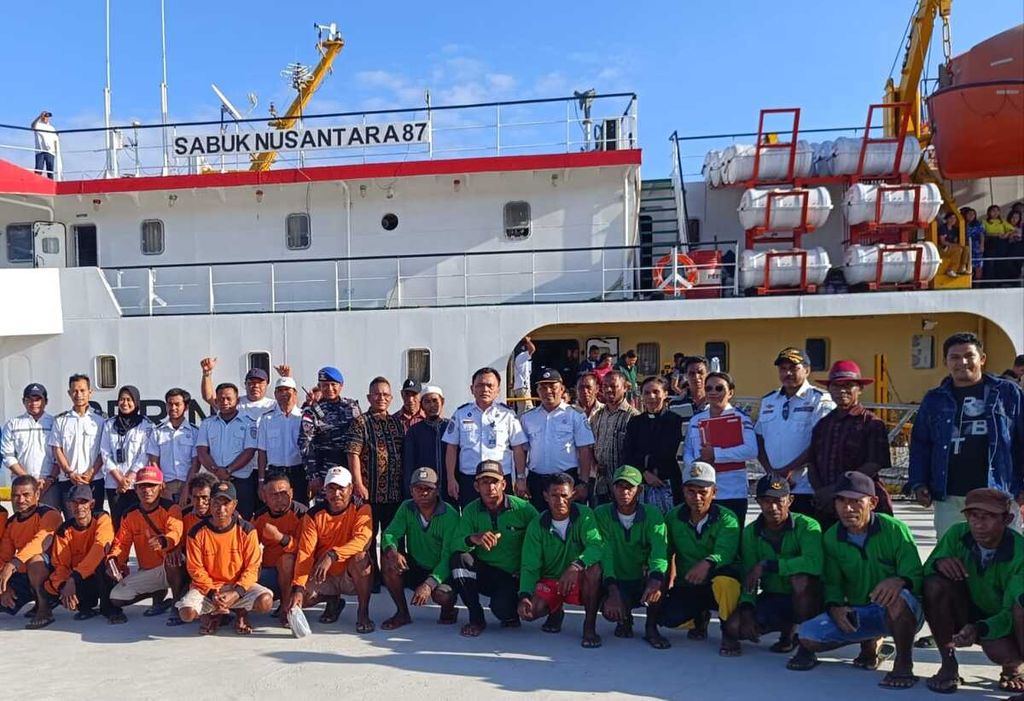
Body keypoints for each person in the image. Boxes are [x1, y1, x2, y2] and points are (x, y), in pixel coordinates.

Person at [788, 471, 924, 690]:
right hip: (861, 611)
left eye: (855, 501)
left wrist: (899, 581)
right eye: (841, 500)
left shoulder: (895, 529)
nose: (847, 508)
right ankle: (870, 642)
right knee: (808, 635)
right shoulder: (831, 537)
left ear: (873, 502)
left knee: (898, 597)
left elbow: (915, 574)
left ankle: (904, 662)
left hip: (903, 611)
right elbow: (832, 583)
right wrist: (835, 608)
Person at [910, 332, 1024, 537]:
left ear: (982, 359)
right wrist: (919, 483)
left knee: (1004, 559)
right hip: (950, 497)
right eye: (954, 357)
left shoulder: (1008, 393)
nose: (962, 362)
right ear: (946, 362)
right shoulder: (934, 399)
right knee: (952, 559)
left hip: (999, 493)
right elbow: (921, 445)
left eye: (969, 356)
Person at [923, 488, 1024, 694]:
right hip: (969, 610)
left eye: (988, 517)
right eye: (973, 516)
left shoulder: (1020, 552)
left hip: (1003, 621)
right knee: (934, 584)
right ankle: (948, 665)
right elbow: (924, 573)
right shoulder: (956, 534)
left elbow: (1012, 611)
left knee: (1017, 618)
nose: (978, 524)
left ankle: (1013, 667)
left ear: (1007, 519)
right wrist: (938, 564)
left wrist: (979, 629)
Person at [722, 475, 823, 656]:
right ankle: (787, 632)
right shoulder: (750, 532)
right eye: (766, 501)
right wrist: (746, 607)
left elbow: (814, 563)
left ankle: (806, 650)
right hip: (773, 595)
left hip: (809, 598)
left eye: (778, 501)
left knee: (800, 579)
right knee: (734, 628)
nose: (773, 507)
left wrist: (769, 565)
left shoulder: (808, 526)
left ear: (790, 500)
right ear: (758, 502)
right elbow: (749, 574)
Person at [657, 462, 742, 653]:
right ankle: (698, 619)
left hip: (718, 582)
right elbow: (666, 553)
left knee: (726, 583)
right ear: (683, 491)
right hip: (689, 583)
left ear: (715, 492)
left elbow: (726, 553)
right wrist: (660, 582)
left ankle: (729, 633)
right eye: (690, 490)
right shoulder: (672, 517)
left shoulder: (727, 518)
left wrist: (708, 563)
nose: (696, 497)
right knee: (667, 619)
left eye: (703, 491)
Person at [449, 460, 539, 637]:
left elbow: (541, 541)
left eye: (494, 482)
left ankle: (511, 611)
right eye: (484, 482)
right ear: (476, 486)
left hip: (515, 576)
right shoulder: (470, 510)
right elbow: (455, 544)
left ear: (504, 484)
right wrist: (473, 538)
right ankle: (476, 618)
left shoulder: (524, 509)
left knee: (503, 611)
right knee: (459, 559)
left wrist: (528, 573)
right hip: (486, 573)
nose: (490, 487)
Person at [517, 472, 604, 648]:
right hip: (551, 581)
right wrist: (524, 595)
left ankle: (589, 626)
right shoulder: (536, 525)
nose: (560, 501)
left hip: (577, 578)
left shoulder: (585, 515)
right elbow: (529, 565)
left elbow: (596, 546)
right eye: (554, 496)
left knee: (594, 569)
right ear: (545, 497)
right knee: (531, 612)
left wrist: (576, 566)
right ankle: (555, 611)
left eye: (564, 495)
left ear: (573, 495)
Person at [178, 480, 274, 635]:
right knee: (186, 613)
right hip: (208, 589)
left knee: (265, 601)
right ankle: (212, 614)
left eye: (226, 503)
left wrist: (236, 593)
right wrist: (213, 593)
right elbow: (195, 569)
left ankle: (240, 613)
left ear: (234, 505)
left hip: (236, 586)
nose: (221, 509)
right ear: (210, 503)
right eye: (216, 503)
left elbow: (252, 567)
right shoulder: (196, 532)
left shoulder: (247, 530)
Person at [288, 466, 375, 633]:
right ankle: (332, 599)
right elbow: (305, 552)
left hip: (349, 575)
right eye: (331, 488)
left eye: (341, 488)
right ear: (324, 490)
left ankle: (363, 612)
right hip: (323, 575)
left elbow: (363, 540)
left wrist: (333, 554)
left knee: (361, 558)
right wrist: (298, 588)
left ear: (351, 489)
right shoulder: (313, 515)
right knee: (299, 600)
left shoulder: (362, 509)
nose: (336, 494)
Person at [808, 360, 892, 529]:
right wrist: (821, 493)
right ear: (829, 389)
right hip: (827, 505)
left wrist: (837, 490)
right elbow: (812, 462)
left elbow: (875, 463)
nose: (842, 390)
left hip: (861, 503)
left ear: (860, 389)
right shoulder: (823, 424)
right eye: (836, 386)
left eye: (849, 385)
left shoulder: (871, 423)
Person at [595, 465, 671, 648]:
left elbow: (659, 552)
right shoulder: (601, 513)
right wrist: (612, 591)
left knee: (662, 574)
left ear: (640, 490)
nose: (624, 492)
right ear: (613, 488)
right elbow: (605, 553)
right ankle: (624, 619)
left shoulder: (653, 514)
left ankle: (651, 627)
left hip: (642, 580)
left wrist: (655, 578)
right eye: (620, 486)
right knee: (609, 610)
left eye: (630, 487)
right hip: (616, 580)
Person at [756, 348, 836, 518]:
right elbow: (759, 437)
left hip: (804, 485)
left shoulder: (819, 399)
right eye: (783, 369)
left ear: (807, 370)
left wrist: (788, 470)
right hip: (775, 486)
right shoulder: (769, 400)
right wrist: (771, 472)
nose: (788, 373)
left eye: (794, 368)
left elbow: (820, 442)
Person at [380, 467, 460, 629]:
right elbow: (390, 533)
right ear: (411, 490)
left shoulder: (450, 515)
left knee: (443, 595)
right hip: (417, 565)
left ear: (437, 490)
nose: (423, 493)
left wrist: (429, 584)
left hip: (442, 571)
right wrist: (392, 551)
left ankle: (449, 610)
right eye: (418, 488)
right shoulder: (406, 507)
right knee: (388, 561)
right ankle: (402, 613)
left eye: (428, 489)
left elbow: (448, 556)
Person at [105, 465, 185, 624]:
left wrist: (164, 541)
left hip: (171, 567)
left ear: (161, 487)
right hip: (149, 571)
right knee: (116, 598)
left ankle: (176, 602)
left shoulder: (171, 508)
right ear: (135, 489)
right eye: (142, 486)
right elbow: (121, 543)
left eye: (151, 485)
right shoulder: (129, 514)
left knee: (174, 559)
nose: (146, 490)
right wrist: (114, 560)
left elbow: (175, 532)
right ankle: (158, 595)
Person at [346, 376, 406, 584]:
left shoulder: (396, 423)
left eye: (385, 394)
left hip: (393, 493)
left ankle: (395, 576)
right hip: (369, 492)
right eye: (377, 394)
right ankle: (371, 579)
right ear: (369, 397)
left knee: (393, 537)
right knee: (368, 538)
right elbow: (353, 453)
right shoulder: (360, 422)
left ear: (391, 398)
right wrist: (358, 484)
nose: (381, 398)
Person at [443, 367, 528, 508]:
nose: (485, 389)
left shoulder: (507, 415)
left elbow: (518, 448)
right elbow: (451, 447)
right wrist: (451, 479)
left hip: (499, 479)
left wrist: (520, 477)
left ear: (498, 390)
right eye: (480, 385)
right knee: (471, 520)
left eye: (490, 385)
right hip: (470, 479)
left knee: (502, 519)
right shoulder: (461, 413)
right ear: (472, 389)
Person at [683, 371, 758, 523]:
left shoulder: (741, 418)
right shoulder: (696, 420)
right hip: (701, 492)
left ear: (730, 392)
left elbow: (751, 450)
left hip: (732, 492)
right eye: (709, 388)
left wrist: (715, 454)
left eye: (719, 388)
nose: (713, 392)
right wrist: (696, 466)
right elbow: (688, 451)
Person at [37, 484, 115, 626]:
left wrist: (74, 578)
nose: (79, 507)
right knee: (49, 587)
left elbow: (99, 549)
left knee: (104, 564)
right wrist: (63, 587)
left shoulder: (102, 519)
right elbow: (61, 565)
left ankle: (109, 608)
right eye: (74, 502)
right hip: (80, 579)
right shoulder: (64, 530)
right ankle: (84, 606)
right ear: (69, 505)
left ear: (92, 504)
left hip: (99, 575)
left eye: (83, 502)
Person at [520, 368, 596, 510]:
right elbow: (522, 450)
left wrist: (584, 482)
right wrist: (521, 478)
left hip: (566, 479)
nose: (548, 391)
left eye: (552, 387)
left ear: (562, 389)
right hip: (537, 480)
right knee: (538, 522)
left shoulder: (575, 415)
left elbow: (584, 450)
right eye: (543, 387)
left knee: (568, 523)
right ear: (537, 390)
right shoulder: (527, 418)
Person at [0, 475, 62, 625]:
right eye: (16, 495)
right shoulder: (12, 523)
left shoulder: (50, 514)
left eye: (26, 495)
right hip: (24, 573)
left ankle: (44, 608)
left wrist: (13, 563)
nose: (20, 500)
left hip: (54, 574)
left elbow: (40, 543)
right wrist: (4, 586)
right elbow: (4, 556)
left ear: (37, 495)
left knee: (35, 559)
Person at [299, 366, 362, 501]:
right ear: (319, 386)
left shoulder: (352, 406)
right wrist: (313, 476)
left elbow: (360, 435)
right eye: (325, 385)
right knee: (328, 508)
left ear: (341, 385)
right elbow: (305, 444)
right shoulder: (311, 412)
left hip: (351, 468)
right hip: (325, 471)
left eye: (333, 384)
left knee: (352, 507)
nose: (329, 388)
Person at [195, 383, 258, 519]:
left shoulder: (248, 423)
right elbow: (202, 451)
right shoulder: (207, 423)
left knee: (243, 520)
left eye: (229, 398)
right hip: (214, 481)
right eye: (221, 399)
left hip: (241, 481)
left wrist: (228, 470)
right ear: (216, 401)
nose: (225, 402)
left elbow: (249, 451)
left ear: (237, 401)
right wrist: (216, 470)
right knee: (213, 519)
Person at [623, 376, 685, 512]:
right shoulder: (635, 422)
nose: (651, 396)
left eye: (656, 392)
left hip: (669, 483)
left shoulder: (675, 421)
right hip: (641, 481)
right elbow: (628, 452)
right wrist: (644, 472)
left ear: (665, 394)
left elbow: (672, 451)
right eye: (646, 393)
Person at [252, 472, 307, 626]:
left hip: (298, 575)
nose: (279, 499)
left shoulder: (303, 514)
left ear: (292, 493)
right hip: (269, 573)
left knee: (287, 559)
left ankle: (285, 608)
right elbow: (249, 546)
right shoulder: (259, 517)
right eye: (274, 495)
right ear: (264, 496)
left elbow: (306, 549)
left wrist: (280, 538)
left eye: (283, 493)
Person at [100, 385, 154, 529]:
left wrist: (129, 477)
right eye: (122, 399)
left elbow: (144, 454)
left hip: (137, 483)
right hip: (115, 485)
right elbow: (105, 453)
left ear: (136, 402)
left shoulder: (146, 425)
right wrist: (120, 479)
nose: (125, 403)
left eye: (129, 400)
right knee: (118, 526)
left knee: (140, 526)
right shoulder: (109, 424)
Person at [49, 374, 105, 511]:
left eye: (82, 390)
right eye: (74, 391)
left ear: (90, 392)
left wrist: (92, 472)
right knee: (71, 523)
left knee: (95, 521)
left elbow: (104, 451)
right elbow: (57, 449)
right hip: (68, 481)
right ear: (69, 393)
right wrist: (69, 472)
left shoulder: (101, 420)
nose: (78, 394)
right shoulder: (60, 421)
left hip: (94, 480)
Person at [165, 473, 216, 625]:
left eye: (205, 497)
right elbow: (177, 537)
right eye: (195, 497)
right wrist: (172, 549)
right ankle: (176, 602)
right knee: (171, 560)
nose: (200, 502)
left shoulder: (226, 516)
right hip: (193, 565)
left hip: (219, 566)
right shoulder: (184, 515)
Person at [2, 383, 57, 508]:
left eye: (38, 399)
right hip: (21, 486)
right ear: (23, 401)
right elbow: (8, 456)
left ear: (46, 401)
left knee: (48, 524)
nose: (33, 403)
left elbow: (59, 456)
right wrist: (28, 480)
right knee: (22, 524)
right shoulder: (13, 424)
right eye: (29, 400)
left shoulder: (55, 423)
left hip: (48, 486)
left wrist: (49, 480)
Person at [590, 372, 640, 505]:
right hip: (601, 485)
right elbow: (591, 446)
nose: (608, 390)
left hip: (624, 487)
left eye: (613, 386)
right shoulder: (597, 416)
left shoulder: (633, 417)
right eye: (605, 386)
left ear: (625, 388)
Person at [256, 377, 306, 505]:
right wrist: (261, 480)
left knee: (300, 511)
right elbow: (262, 452)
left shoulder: (303, 417)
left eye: (287, 390)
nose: (283, 393)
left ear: (295, 393)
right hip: (275, 473)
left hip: (299, 473)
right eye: (279, 390)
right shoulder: (266, 419)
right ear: (275, 394)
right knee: (274, 510)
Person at [146, 388, 198, 504]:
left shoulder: (195, 432)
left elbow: (195, 464)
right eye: (170, 404)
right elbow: (153, 461)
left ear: (186, 406)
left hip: (188, 484)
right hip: (165, 486)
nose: (173, 408)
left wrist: (186, 489)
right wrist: (161, 484)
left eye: (177, 404)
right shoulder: (157, 431)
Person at [402, 385, 453, 499]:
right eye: (427, 402)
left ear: (442, 401)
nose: (432, 405)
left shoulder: (451, 427)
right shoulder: (414, 431)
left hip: (449, 490)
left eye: (435, 401)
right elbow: (409, 465)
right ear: (422, 405)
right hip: (423, 492)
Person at [200, 358, 277, 419]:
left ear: (267, 384)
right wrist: (207, 373)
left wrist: (286, 378)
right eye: (251, 383)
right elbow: (209, 398)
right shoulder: (236, 403)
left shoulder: (274, 405)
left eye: (260, 383)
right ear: (245, 384)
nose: (255, 386)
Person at [938, 210, 972, 277]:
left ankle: (962, 267)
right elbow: (943, 241)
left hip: (952, 247)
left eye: (954, 218)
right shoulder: (942, 228)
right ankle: (951, 270)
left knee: (966, 248)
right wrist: (953, 245)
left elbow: (956, 241)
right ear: (947, 219)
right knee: (958, 250)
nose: (953, 220)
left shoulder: (955, 229)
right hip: (942, 248)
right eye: (951, 218)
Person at [511, 336, 536, 415]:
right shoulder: (522, 356)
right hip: (522, 388)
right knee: (527, 410)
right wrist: (528, 341)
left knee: (522, 410)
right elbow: (532, 349)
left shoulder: (522, 358)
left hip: (521, 387)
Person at [31, 111, 58, 179]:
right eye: (45, 116)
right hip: (40, 151)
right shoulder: (38, 125)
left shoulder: (52, 128)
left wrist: (55, 151)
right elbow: (32, 125)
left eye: (47, 116)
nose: (46, 118)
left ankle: (51, 185)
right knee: (38, 169)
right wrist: (39, 117)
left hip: (50, 152)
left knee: (50, 170)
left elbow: (55, 140)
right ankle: (36, 184)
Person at [961, 206, 986, 280]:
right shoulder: (963, 224)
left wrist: (982, 245)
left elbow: (982, 235)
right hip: (966, 246)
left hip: (976, 246)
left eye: (973, 214)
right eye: (969, 214)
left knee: (978, 265)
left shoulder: (978, 224)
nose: (971, 215)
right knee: (967, 264)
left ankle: (978, 284)